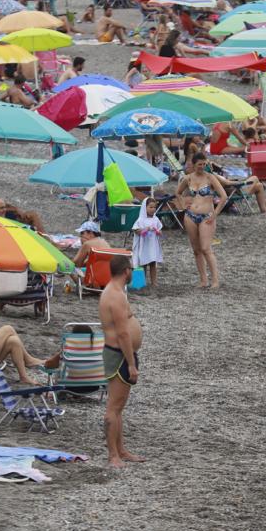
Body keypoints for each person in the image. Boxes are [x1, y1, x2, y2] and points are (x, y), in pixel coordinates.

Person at [99, 255, 145, 468]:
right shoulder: (114, 295)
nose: (132, 273)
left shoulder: (117, 293)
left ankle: (121, 450)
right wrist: (131, 364)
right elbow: (123, 334)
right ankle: (112, 456)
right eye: (132, 270)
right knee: (113, 407)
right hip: (119, 356)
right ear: (126, 271)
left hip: (121, 354)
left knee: (119, 407)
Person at [177, 152, 226, 289]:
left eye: (204, 164)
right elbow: (178, 192)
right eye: (200, 164)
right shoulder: (187, 179)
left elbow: (223, 196)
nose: (202, 167)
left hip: (206, 216)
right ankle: (203, 280)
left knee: (206, 248)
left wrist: (215, 213)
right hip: (190, 215)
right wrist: (182, 206)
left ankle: (215, 280)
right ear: (193, 165)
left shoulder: (210, 178)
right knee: (196, 250)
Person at [131, 198, 163, 288]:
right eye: (150, 207)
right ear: (145, 208)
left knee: (153, 262)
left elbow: (160, 231)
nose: (153, 209)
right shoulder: (141, 220)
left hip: (152, 245)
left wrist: (158, 232)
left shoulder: (156, 219)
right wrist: (146, 229)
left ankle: (154, 282)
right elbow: (136, 231)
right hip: (144, 245)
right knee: (143, 263)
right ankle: (142, 281)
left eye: (154, 207)